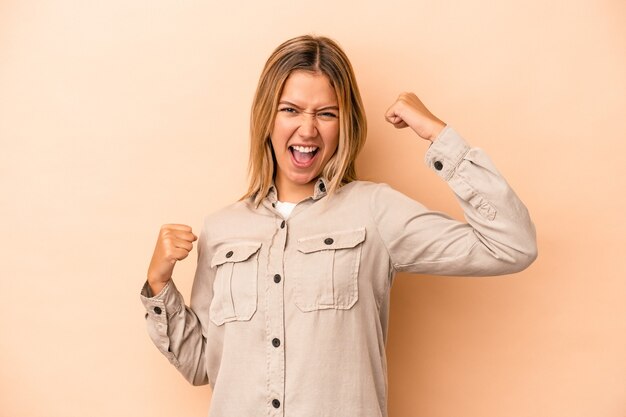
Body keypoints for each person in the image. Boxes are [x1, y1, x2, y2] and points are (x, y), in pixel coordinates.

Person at [140, 34, 537, 417]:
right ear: (266, 117)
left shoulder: (374, 210)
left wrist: (438, 134)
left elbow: (511, 245)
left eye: (326, 113)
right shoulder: (222, 228)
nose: (308, 129)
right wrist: (159, 284)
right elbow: (202, 367)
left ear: (344, 123)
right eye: (290, 109)